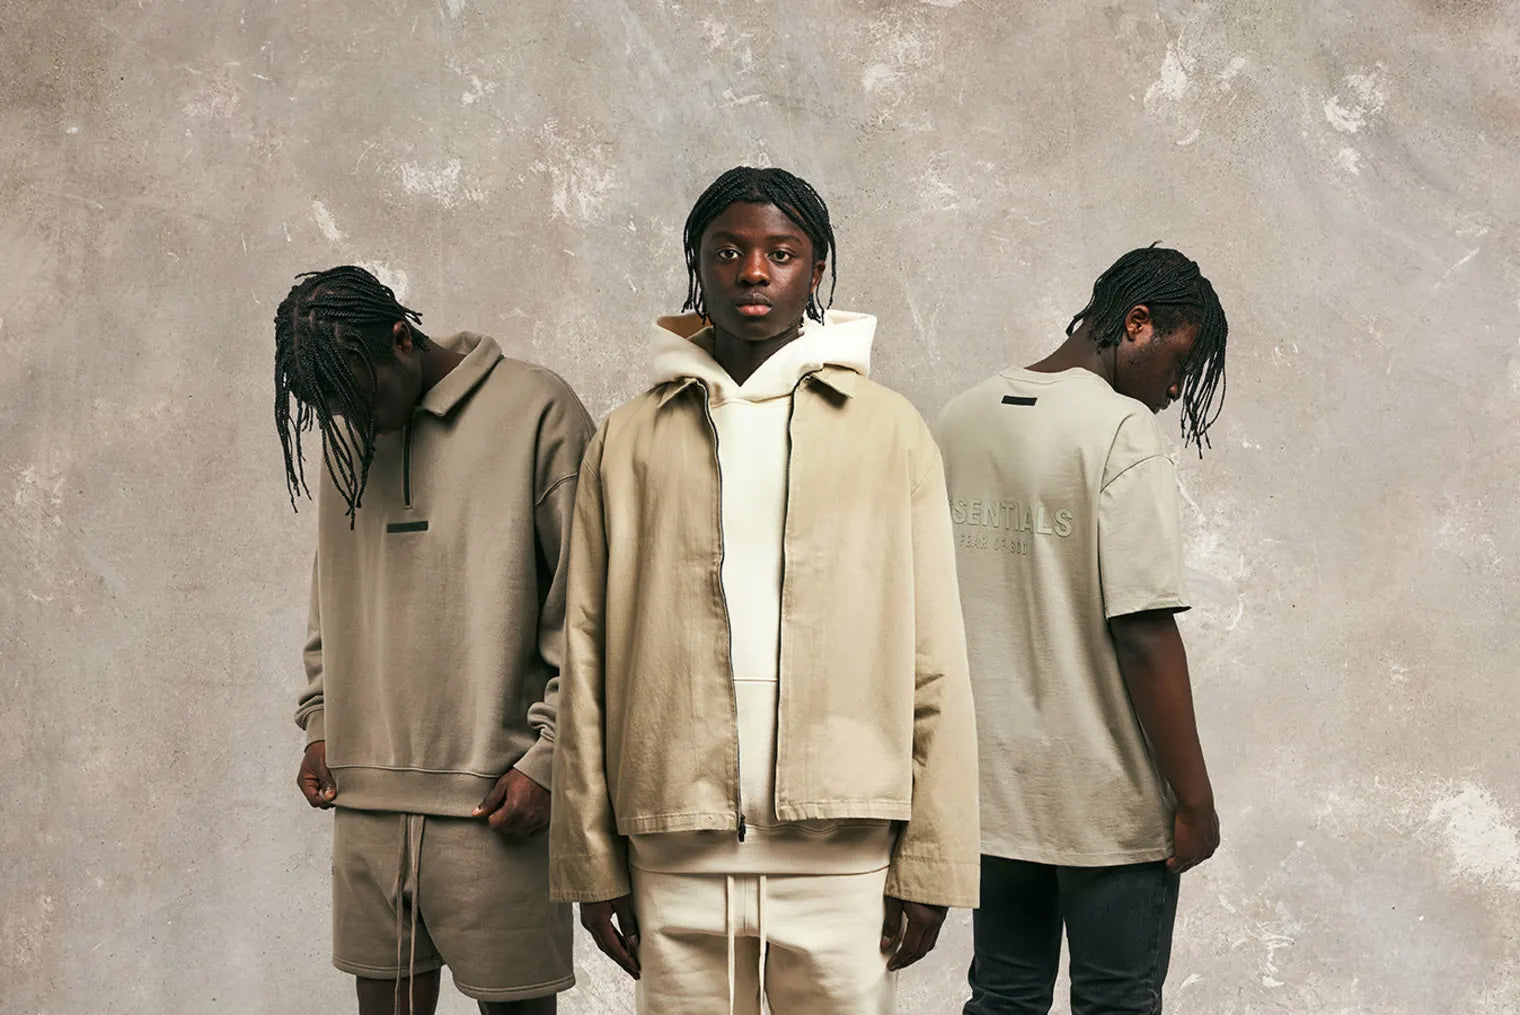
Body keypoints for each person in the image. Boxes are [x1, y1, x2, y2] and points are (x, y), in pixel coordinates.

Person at [549, 167, 980, 1015]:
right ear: (697, 265)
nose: (753, 271)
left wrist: (933, 861)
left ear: (815, 270)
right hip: (674, 853)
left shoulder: (890, 430)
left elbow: (935, 653)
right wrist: (590, 859)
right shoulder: (628, 438)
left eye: (780, 253)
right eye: (728, 251)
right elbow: (586, 655)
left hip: (843, 856)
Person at [273, 265, 592, 1014]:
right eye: (333, 407)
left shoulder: (538, 410)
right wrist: (322, 722)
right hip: (366, 800)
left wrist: (550, 760)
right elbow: (334, 590)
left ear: (401, 338)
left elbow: (591, 605)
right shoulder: (349, 428)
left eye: (361, 397)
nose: (354, 418)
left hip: (494, 802)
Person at [934, 245, 1229, 1015]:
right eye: (1180, 362)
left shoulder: (960, 417)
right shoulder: (1120, 430)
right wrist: (1194, 799)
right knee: (1117, 1001)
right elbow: (1144, 633)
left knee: (1002, 995)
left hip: (992, 792)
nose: (1175, 389)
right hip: (1107, 799)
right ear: (1137, 323)